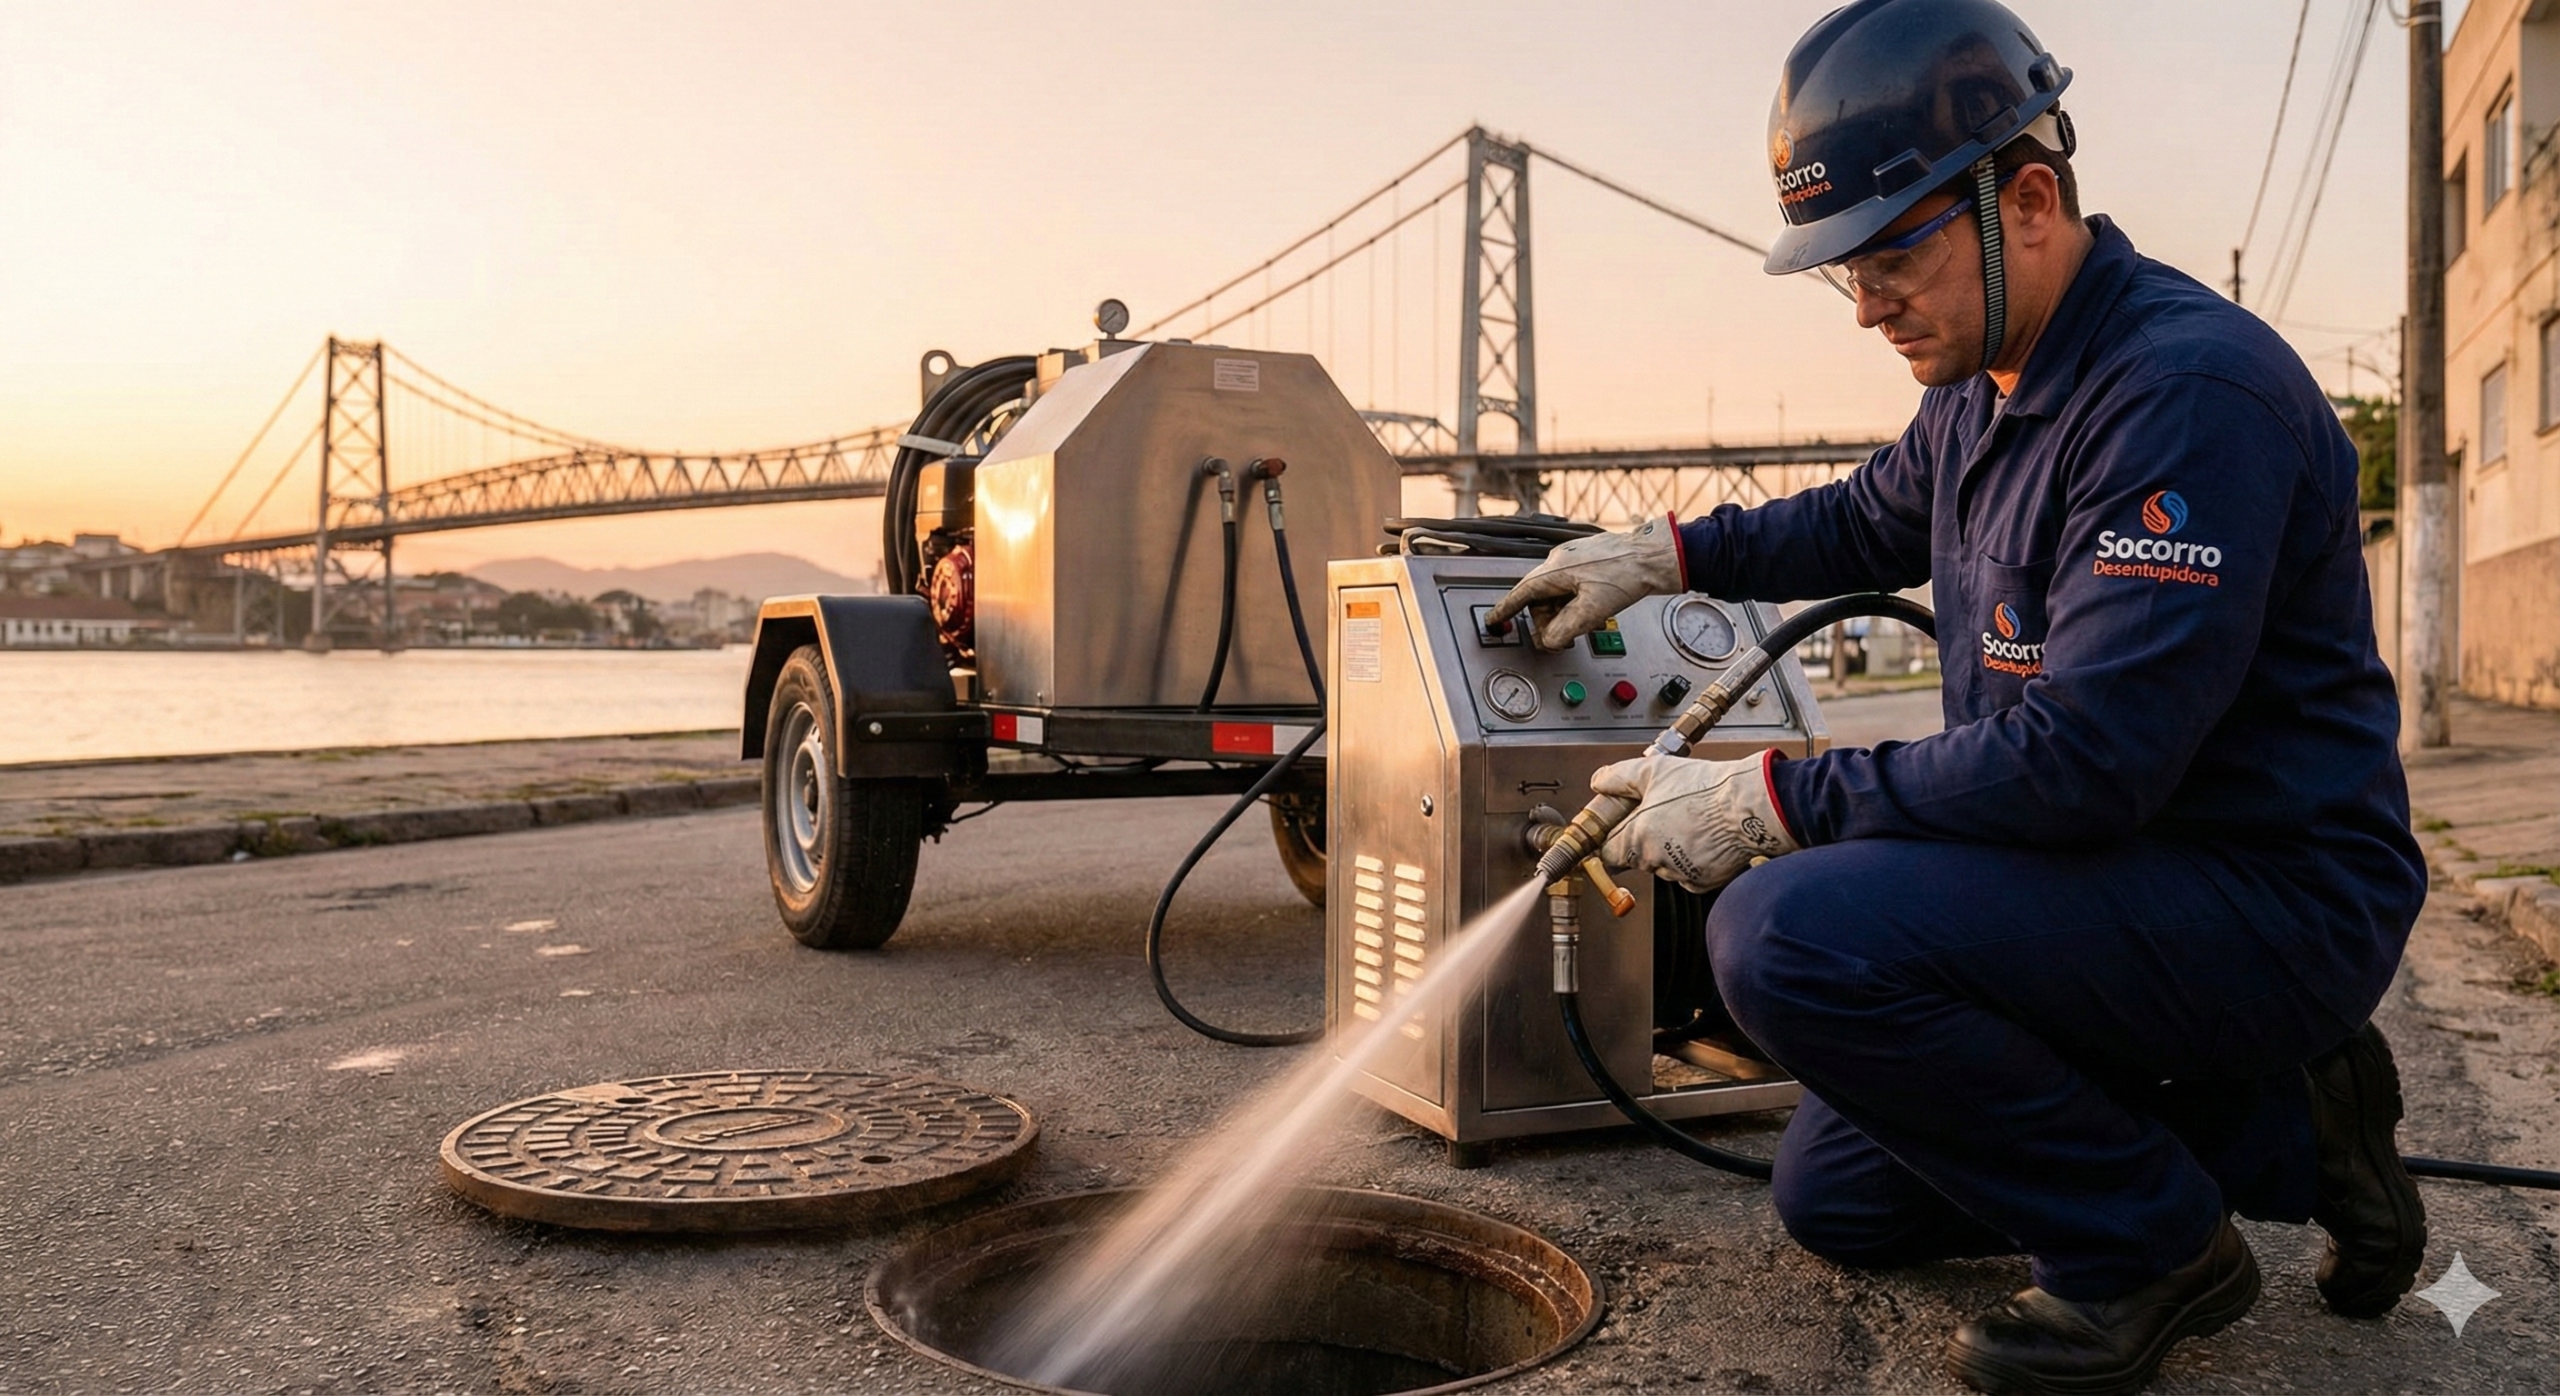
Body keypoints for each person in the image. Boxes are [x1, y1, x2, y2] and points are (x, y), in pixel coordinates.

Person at [1485, 2, 2430, 1392]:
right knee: (1844, 1204)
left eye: (1890, 256)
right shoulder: (1988, 382)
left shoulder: (2184, 393)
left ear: (2027, 198)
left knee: (1785, 936)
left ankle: (2155, 1248)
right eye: (1841, 272)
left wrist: (1768, 801)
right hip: (2102, 874)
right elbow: (1864, 518)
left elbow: (2087, 762)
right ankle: (2286, 1128)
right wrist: (1659, 553)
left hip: (2261, 896)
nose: (1865, 306)